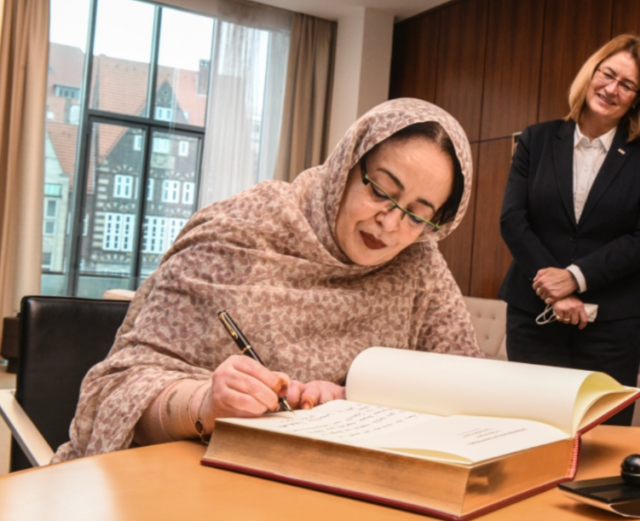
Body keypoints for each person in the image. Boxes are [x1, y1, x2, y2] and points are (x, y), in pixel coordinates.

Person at [54, 98, 483, 461]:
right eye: (381, 190)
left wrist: (360, 395)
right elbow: (117, 392)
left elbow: (467, 395)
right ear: (346, 164)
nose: (390, 223)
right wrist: (205, 404)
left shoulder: (418, 266)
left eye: (416, 214)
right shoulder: (239, 231)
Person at [498, 34, 640, 425]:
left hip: (612, 324)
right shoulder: (536, 140)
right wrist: (552, 288)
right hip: (533, 315)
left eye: (627, 85)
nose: (612, 89)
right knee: (530, 429)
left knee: (603, 435)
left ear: (639, 98)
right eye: (608, 74)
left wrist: (574, 278)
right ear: (591, 73)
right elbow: (513, 219)